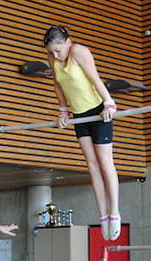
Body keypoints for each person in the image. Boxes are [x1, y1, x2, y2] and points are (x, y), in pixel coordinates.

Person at [44, 25, 121, 241]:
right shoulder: (52, 58)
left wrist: (109, 103)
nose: (55, 55)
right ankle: (103, 213)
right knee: (91, 164)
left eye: (58, 50)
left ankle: (114, 211)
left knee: (105, 162)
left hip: (97, 111)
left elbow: (95, 79)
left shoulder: (79, 52)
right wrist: (62, 110)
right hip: (79, 114)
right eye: (51, 52)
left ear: (68, 42)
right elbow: (57, 85)